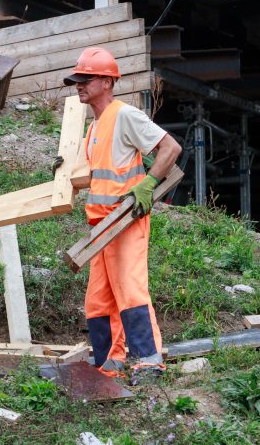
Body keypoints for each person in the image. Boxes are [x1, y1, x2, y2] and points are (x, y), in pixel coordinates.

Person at [62, 47, 181, 383]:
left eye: (85, 79)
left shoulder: (125, 116)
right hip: (101, 227)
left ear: (106, 81)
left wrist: (148, 184)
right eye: (77, 80)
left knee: (130, 291)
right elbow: (98, 174)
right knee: (98, 300)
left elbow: (171, 148)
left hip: (125, 221)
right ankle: (109, 364)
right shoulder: (95, 127)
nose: (79, 85)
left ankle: (148, 362)